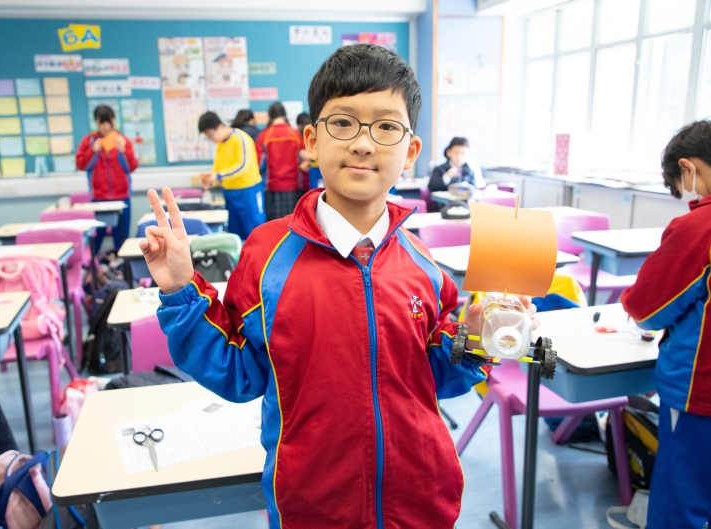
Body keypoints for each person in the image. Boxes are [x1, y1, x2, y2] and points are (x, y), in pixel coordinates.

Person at [140, 44, 538, 527]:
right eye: (344, 123)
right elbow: (238, 371)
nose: (364, 144)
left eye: (386, 127)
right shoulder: (267, 256)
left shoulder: (422, 263)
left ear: (410, 151)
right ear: (311, 139)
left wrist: (474, 340)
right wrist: (181, 289)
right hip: (311, 506)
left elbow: (434, 375)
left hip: (421, 500)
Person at [621, 120, 711, 529]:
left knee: (681, 504)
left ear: (688, 168)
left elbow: (646, 309)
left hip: (700, 392)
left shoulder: (698, 228)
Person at [75, 105, 138, 253]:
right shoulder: (90, 141)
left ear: (113, 120)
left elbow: (132, 167)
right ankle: (95, 265)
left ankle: (122, 265)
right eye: (101, 123)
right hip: (98, 198)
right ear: (96, 122)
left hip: (122, 197)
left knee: (122, 240)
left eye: (108, 122)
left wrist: (124, 151)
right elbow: (80, 164)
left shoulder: (122, 140)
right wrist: (93, 151)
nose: (105, 126)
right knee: (96, 239)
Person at [198, 111, 266, 240]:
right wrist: (210, 180)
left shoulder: (241, 138)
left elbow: (243, 166)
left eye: (211, 135)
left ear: (220, 127)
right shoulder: (220, 145)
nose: (211, 139)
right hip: (229, 193)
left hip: (248, 191)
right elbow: (218, 169)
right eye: (208, 137)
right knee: (235, 235)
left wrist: (217, 176)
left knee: (255, 232)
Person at [255, 102, 306, 220]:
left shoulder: (264, 135)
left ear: (270, 115)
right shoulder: (295, 134)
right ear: (284, 114)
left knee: (275, 225)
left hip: (272, 188)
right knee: (293, 224)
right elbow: (305, 159)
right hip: (294, 186)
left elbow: (258, 164)